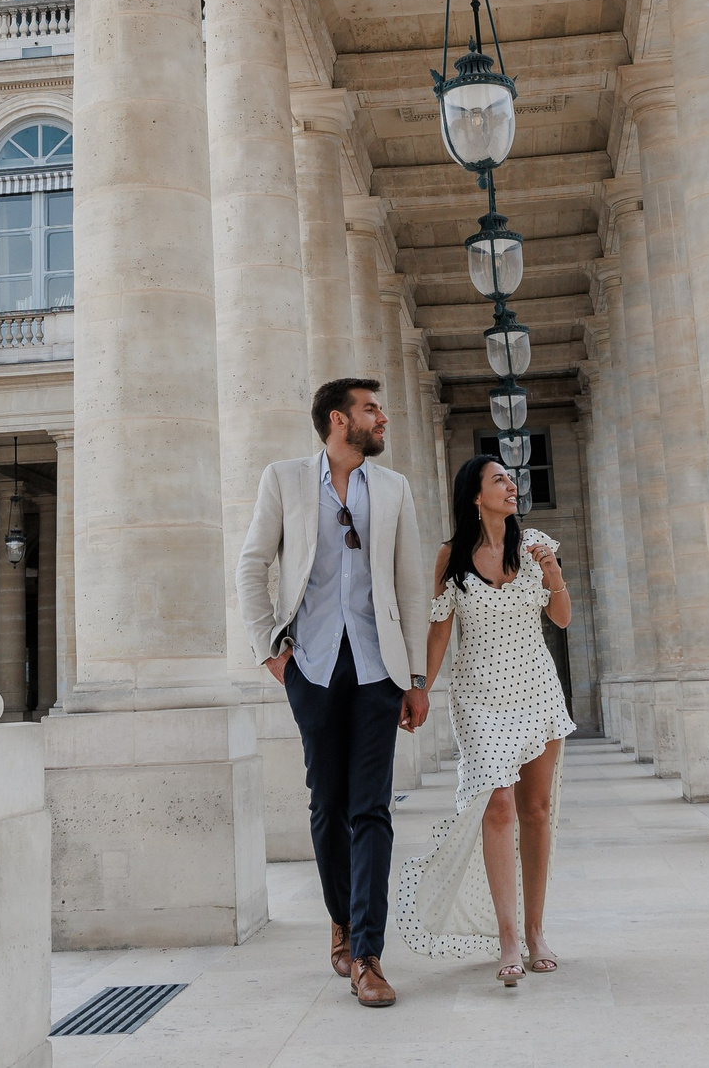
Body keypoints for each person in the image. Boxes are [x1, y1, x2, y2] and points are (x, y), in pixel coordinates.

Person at [236, 377, 431, 1009]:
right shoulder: (286, 479)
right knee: (328, 804)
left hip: (380, 668)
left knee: (371, 808)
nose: (383, 417)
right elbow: (252, 563)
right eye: (371, 409)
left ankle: (368, 953)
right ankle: (342, 920)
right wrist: (271, 648)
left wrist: (419, 679)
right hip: (313, 664)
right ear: (338, 421)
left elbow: (408, 585)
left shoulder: (393, 488)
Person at [393, 454, 575, 986]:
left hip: (537, 689)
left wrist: (553, 573)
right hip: (479, 697)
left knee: (536, 810)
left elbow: (560, 619)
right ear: (475, 495)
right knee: (497, 802)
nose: (511, 486)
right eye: (499, 480)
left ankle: (536, 930)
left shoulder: (536, 543)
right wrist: (420, 687)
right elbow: (439, 631)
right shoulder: (451, 557)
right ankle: (508, 938)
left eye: (511, 479)